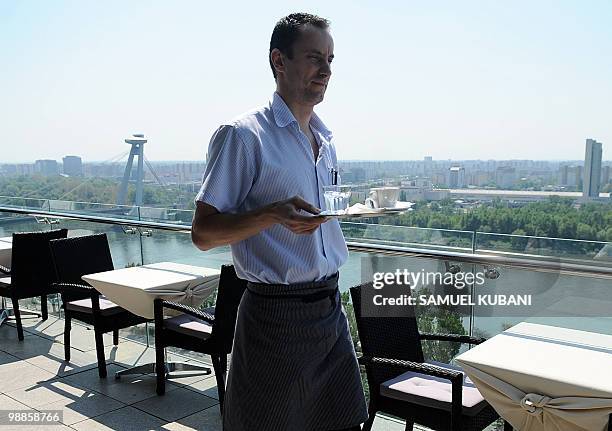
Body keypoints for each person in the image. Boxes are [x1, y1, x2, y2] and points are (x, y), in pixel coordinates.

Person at [192, 12, 367, 431]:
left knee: (344, 424)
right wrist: (271, 213)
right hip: (274, 317)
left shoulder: (325, 141)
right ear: (279, 61)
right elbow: (202, 233)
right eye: (313, 58)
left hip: (329, 309)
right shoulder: (243, 135)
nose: (326, 70)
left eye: (330, 59)